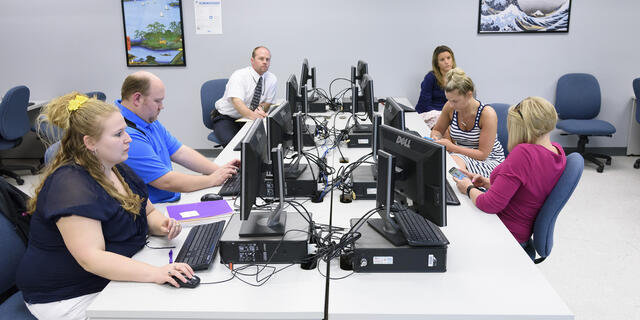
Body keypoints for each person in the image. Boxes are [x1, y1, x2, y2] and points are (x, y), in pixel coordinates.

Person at [16, 93, 193, 320]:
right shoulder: (71, 187)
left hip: (104, 277)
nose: (128, 139)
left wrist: (163, 224)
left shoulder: (114, 166)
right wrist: (156, 273)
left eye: (125, 130)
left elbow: (146, 211)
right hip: (67, 295)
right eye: (118, 134)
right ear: (89, 143)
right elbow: (91, 258)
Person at [452, 97, 567, 245]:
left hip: (504, 232)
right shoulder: (558, 151)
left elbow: (490, 204)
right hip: (521, 231)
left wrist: (468, 188)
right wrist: (488, 183)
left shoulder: (524, 153)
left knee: (451, 217)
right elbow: (529, 189)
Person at [117, 71, 240, 203]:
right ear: (137, 99)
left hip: (171, 196)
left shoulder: (145, 119)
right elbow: (166, 181)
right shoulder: (126, 134)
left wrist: (220, 171)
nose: (161, 107)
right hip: (156, 208)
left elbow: (180, 152)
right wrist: (212, 179)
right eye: (157, 101)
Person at [430, 68, 505, 177]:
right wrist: (436, 137)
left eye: (455, 101)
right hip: (462, 155)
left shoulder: (487, 114)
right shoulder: (450, 107)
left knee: (452, 167)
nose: (451, 105)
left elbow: (482, 154)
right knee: (444, 165)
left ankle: (466, 189)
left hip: (490, 161)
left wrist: (452, 148)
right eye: (449, 100)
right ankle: (461, 187)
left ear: (469, 94)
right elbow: (437, 130)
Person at [211, 46, 277, 146]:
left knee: (266, 141)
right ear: (252, 60)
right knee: (233, 145)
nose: (265, 62)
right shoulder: (239, 76)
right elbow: (237, 102)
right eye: (261, 58)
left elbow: (267, 102)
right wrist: (254, 117)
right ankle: (235, 161)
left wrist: (260, 109)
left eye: (267, 59)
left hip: (247, 118)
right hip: (227, 118)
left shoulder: (272, 79)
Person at [415, 45, 457, 128]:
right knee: (443, 122)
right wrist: (443, 115)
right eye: (442, 60)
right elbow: (425, 103)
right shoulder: (430, 77)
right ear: (437, 63)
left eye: (449, 58)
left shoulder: (458, 77)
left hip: (448, 113)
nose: (446, 62)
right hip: (428, 112)